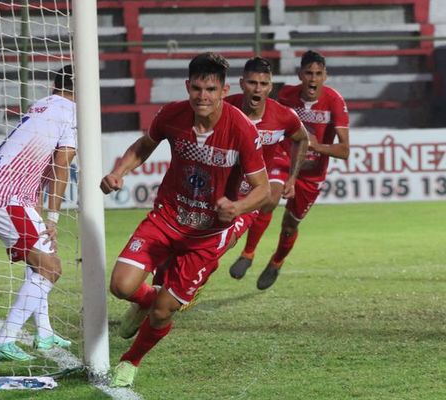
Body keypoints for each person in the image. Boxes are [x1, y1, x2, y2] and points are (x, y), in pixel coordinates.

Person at [100, 52, 270, 387]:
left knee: (165, 311)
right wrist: (119, 171)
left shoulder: (241, 129)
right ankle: (146, 300)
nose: (202, 96)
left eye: (210, 89)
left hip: (208, 235)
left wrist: (237, 208)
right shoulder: (172, 115)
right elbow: (145, 144)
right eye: (197, 88)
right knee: (121, 286)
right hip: (167, 217)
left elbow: (262, 190)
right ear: (187, 87)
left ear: (223, 91)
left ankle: (130, 361)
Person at [0, 65, 76, 361]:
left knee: (40, 262)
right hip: (7, 196)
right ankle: (4, 339)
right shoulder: (71, 111)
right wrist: (54, 218)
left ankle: (43, 333)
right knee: (50, 268)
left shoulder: (42, 106)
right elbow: (61, 165)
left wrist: (40, 211)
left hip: (5, 192)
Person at [253, 50, 350, 290]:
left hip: (312, 174)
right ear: (300, 75)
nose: (313, 79)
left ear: (325, 76)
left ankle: (277, 261)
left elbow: (344, 150)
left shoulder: (334, 101)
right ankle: (248, 253)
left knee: (289, 225)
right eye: (309, 73)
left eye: (318, 74)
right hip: (283, 161)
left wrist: (315, 145)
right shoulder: (286, 94)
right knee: (269, 198)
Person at [224, 57, 309, 282]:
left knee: (271, 201)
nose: (258, 89)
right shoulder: (223, 109)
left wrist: (292, 178)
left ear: (270, 87)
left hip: (262, 178)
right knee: (217, 240)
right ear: (242, 83)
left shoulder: (282, 115)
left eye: (263, 84)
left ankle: (251, 253)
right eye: (252, 83)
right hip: (227, 180)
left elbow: (302, 139)